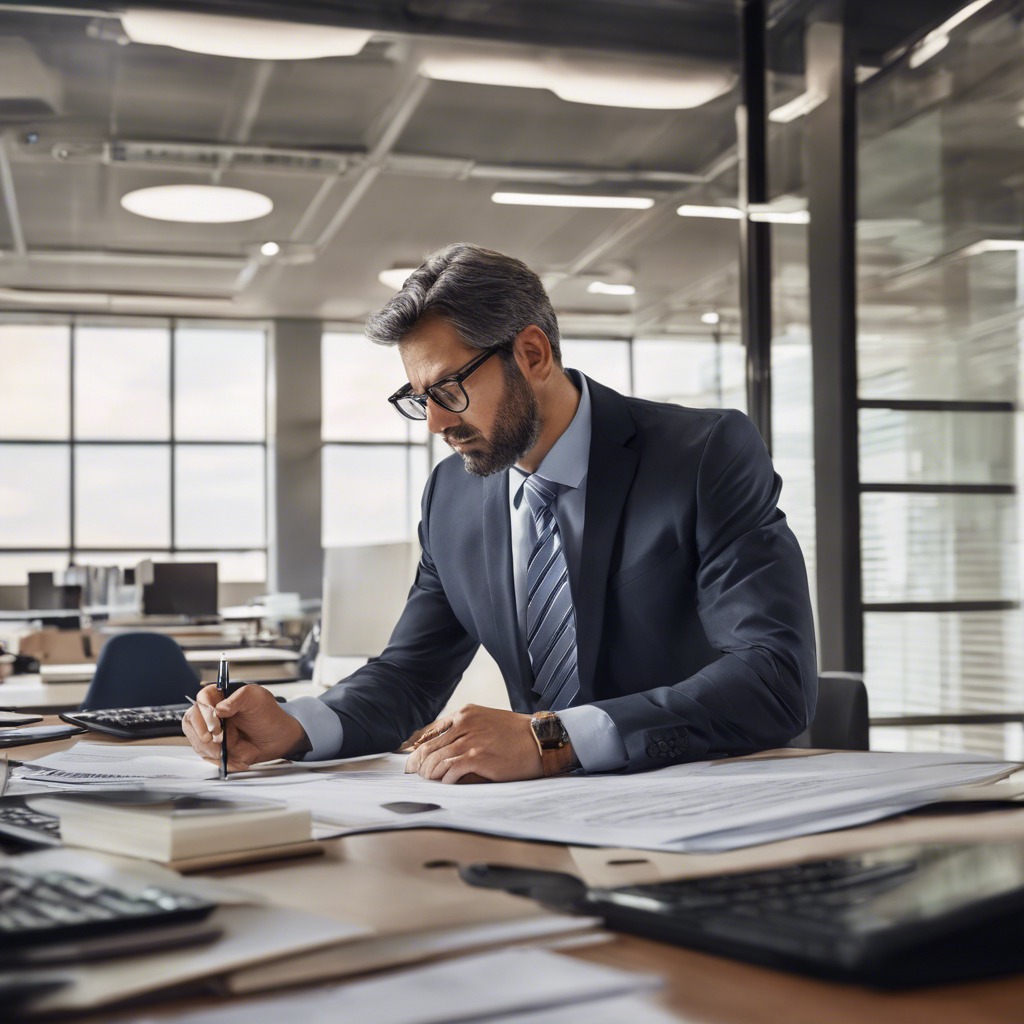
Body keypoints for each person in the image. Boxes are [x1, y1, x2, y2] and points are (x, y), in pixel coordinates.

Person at [183, 243, 817, 782]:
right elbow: (411, 673)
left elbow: (773, 675)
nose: (433, 422)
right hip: (535, 821)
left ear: (533, 354)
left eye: (449, 388)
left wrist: (552, 740)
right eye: (418, 397)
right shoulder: (452, 496)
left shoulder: (702, 455)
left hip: (706, 802)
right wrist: (293, 724)